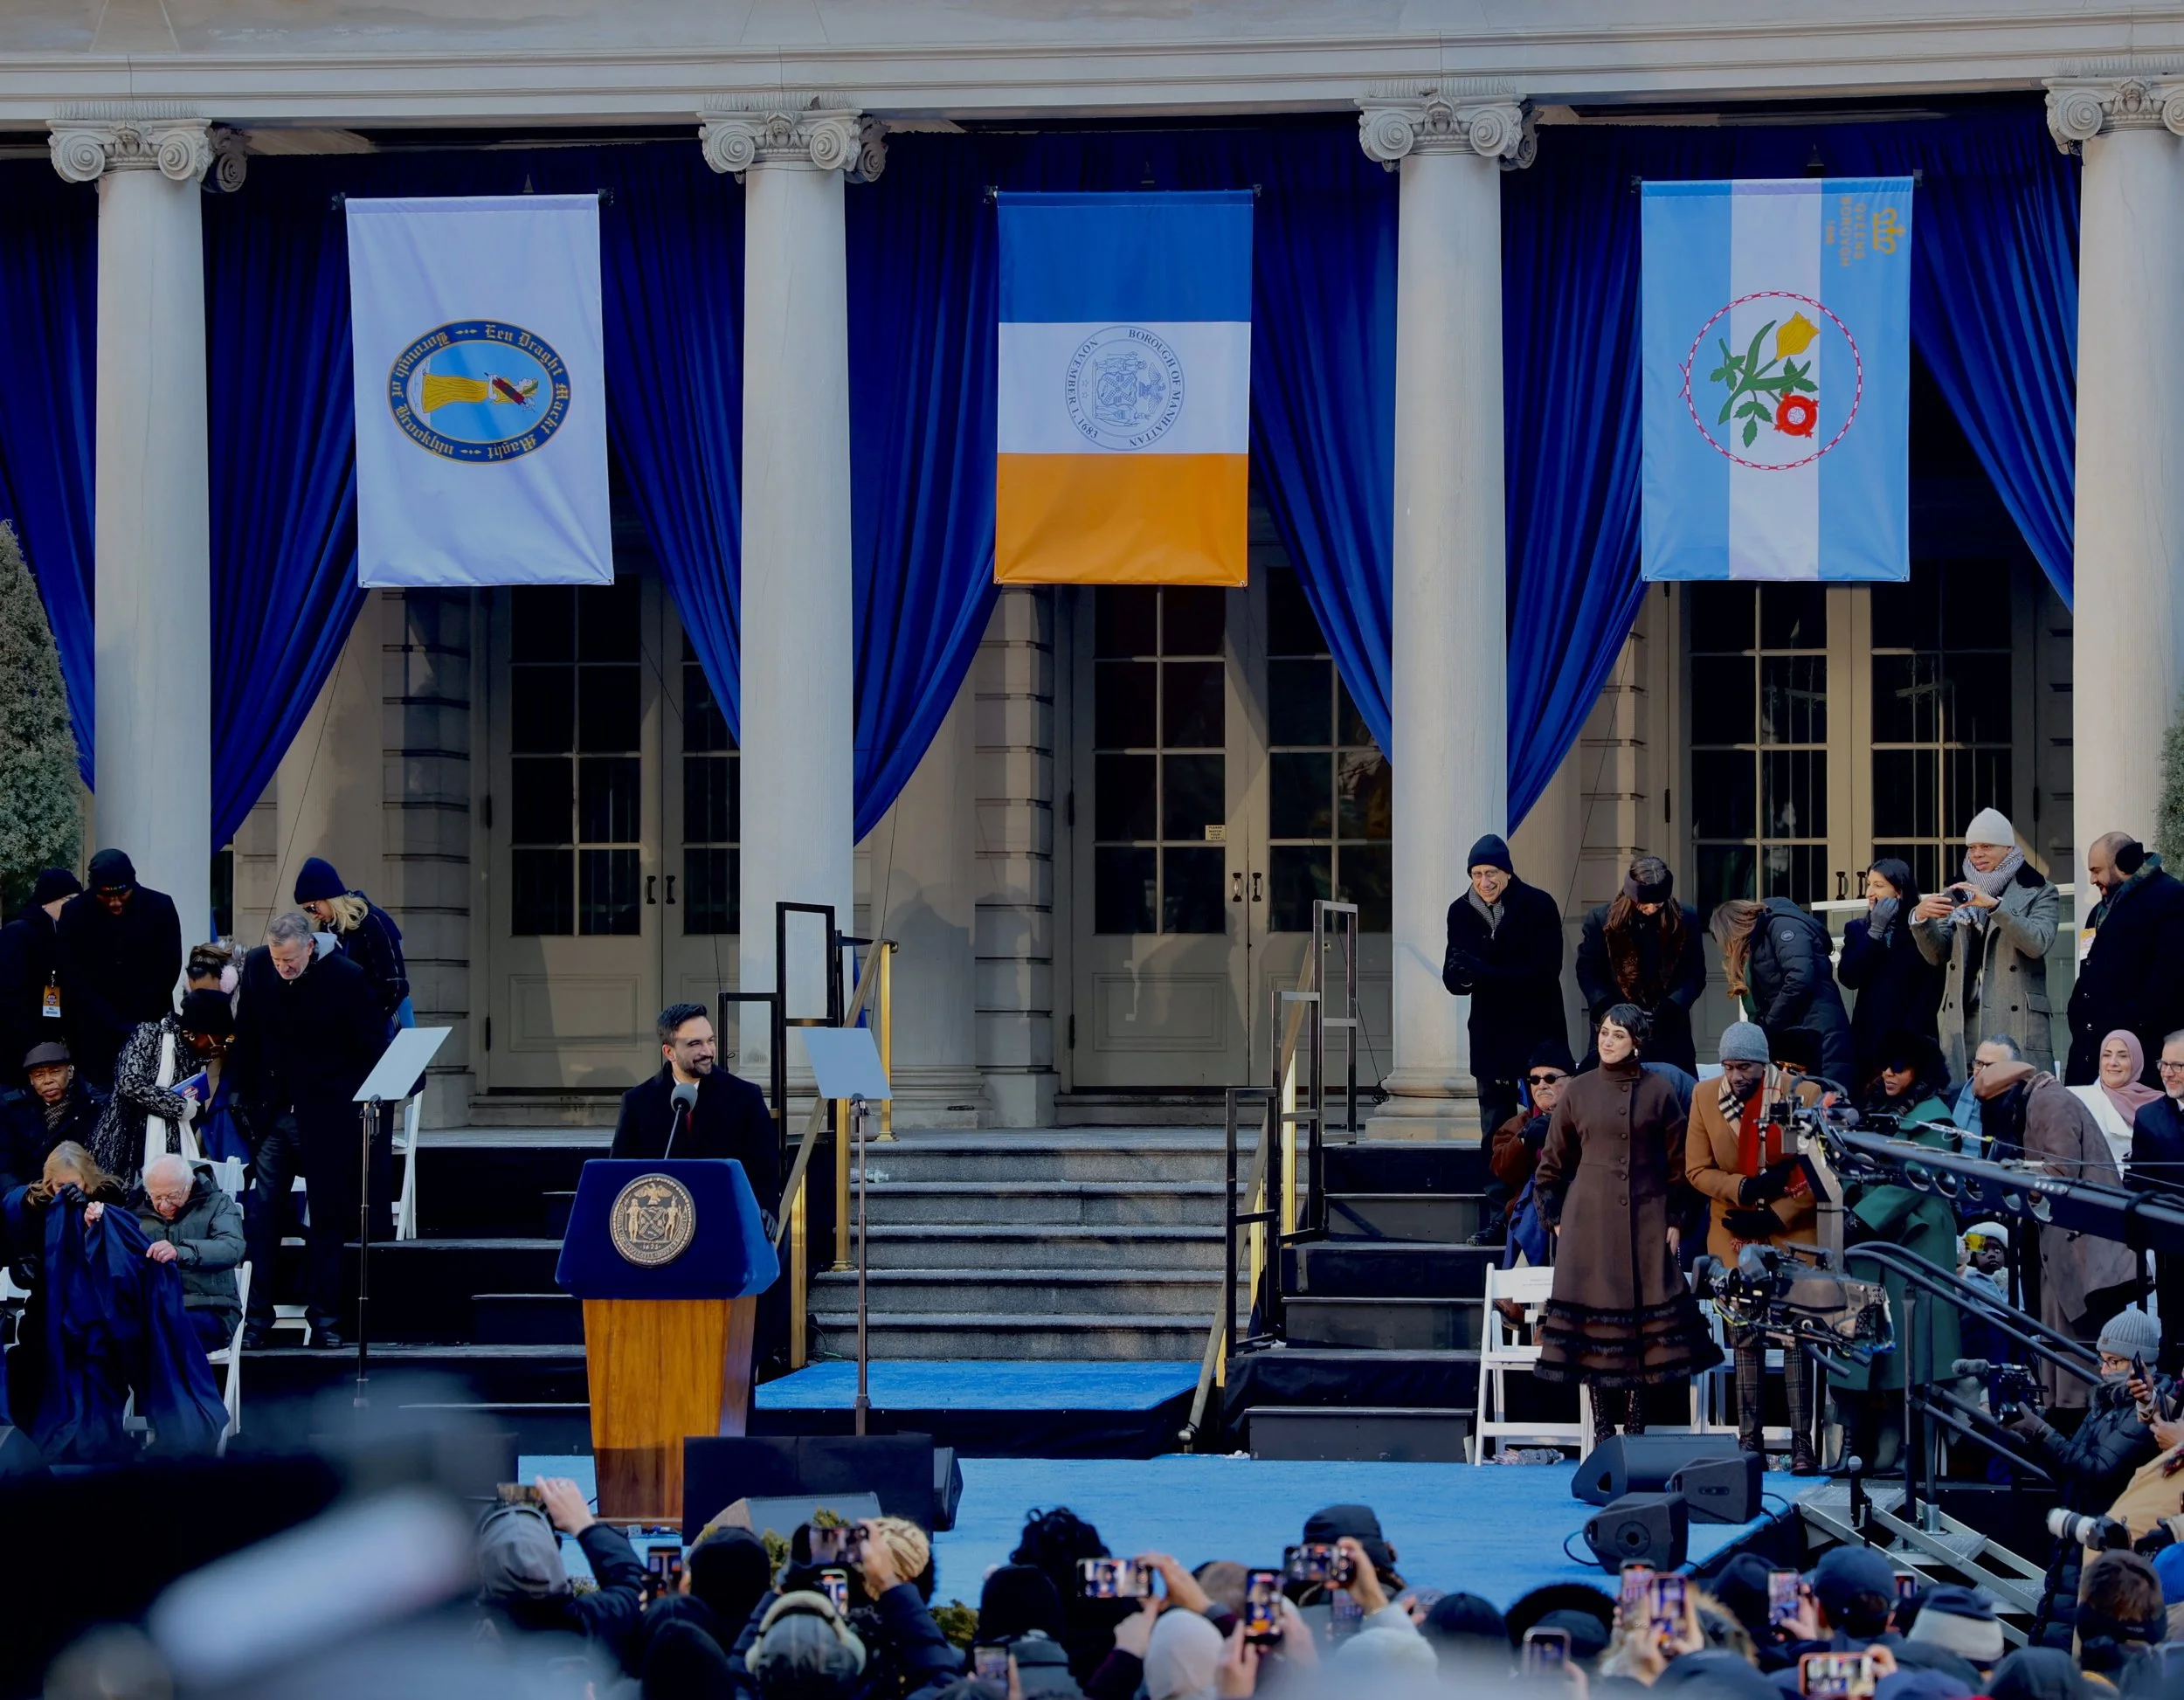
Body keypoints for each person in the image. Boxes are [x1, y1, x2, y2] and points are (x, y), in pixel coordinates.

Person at [1532, 1003, 1724, 1442]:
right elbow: (1552, 1165)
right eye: (1603, 1032)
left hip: (1646, 1220)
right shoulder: (1579, 1091)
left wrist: (1675, 1217)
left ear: (1636, 1041)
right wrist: (1558, 1219)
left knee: (1642, 1328)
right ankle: (1602, 1429)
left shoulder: (1659, 1091)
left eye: (1618, 1034)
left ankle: (1635, 1426)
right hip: (1590, 1224)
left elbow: (1682, 1163)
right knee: (1595, 1328)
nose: (1607, 1040)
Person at [1, 1141, 227, 1461]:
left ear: (87, 1180)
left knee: (102, 1351)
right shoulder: (28, 1206)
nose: (63, 1191)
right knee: (33, 1359)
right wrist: (22, 1260)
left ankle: (97, 1442)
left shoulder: (110, 1199)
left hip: (101, 1304)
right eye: (57, 1186)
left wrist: (96, 1218)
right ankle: (43, 1447)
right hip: (48, 1307)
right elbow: (16, 1250)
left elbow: (129, 1251)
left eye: (72, 1185)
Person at [231, 911, 391, 1350]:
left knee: (327, 1219)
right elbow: (246, 1033)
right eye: (278, 959)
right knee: (263, 1217)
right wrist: (244, 1101)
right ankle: (257, 1319)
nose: (283, 968)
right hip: (274, 1111)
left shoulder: (346, 977)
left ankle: (324, 1318)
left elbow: (370, 1047)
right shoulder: (260, 966)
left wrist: (354, 1104)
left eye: (291, 960)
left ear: (309, 946)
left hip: (327, 1113)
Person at [1682, 1020, 1820, 1472]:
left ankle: (1802, 1444)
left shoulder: (1803, 1094)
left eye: (1744, 1066)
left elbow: (1815, 1173)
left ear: (1764, 1065)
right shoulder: (1704, 1097)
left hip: (1791, 1231)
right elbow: (1697, 1170)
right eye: (1728, 1066)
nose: (1736, 1075)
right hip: (1733, 1228)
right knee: (1745, 1335)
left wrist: (1773, 1212)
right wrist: (1743, 1189)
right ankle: (1750, 1443)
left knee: (1796, 1335)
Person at [1831, 1031, 1966, 1471]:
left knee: (1916, 1354)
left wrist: (1859, 1217)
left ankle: (1913, 1451)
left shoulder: (1936, 1118)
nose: (1889, 1074)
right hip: (1876, 1244)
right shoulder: (1876, 1108)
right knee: (1866, 1349)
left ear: (1920, 1071)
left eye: (1900, 1067)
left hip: (1918, 1245)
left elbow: (1915, 1178)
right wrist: (1851, 1200)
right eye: (1886, 1065)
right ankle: (1867, 1445)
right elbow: (1854, 1166)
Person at [1975, 1049, 2139, 1404]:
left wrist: (2009, 1175)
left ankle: (2073, 1419)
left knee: (2074, 1356)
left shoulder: (2049, 1102)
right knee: (2058, 1347)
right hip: (2061, 1245)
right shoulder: (2039, 1101)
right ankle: (2063, 1411)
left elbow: (2059, 1176)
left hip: (2082, 1249)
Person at [2011, 1310, 2167, 1649]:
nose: (2105, 1369)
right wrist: (2031, 1433)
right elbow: (2071, 1469)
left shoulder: (2147, 1411)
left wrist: (2042, 1432)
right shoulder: (2108, 1400)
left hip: (2107, 1537)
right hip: (2080, 1534)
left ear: (2141, 1364)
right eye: (2103, 1360)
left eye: (2115, 1362)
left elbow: (2096, 1471)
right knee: (2058, 1630)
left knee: (2078, 1639)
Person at [1442, 833, 1570, 1169]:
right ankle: (1498, 1212)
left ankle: (1543, 1198)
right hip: (1490, 1032)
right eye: (1476, 874)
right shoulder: (1460, 911)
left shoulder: (1539, 905)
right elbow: (1455, 981)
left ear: (1508, 872)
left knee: (1548, 1118)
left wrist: (1484, 972)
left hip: (1538, 1029)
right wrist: (1461, 975)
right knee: (1495, 1128)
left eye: (1491, 873)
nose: (1484, 882)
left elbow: (1546, 970)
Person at [1910, 809, 2060, 1083]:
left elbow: (2037, 943)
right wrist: (1920, 918)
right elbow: (1938, 954)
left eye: (1986, 846)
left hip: (2014, 1017)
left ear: (2008, 848)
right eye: (1972, 847)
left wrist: (1994, 907)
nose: (1977, 854)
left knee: (2014, 1102)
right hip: (1962, 1017)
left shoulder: (2039, 889)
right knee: (1961, 1101)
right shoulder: (1957, 890)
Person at [612, 1003, 780, 1217]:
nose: (707, 1051)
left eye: (710, 1041)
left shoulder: (745, 1097)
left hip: (726, 1218)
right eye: (695, 1044)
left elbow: (765, 1167)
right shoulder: (637, 1102)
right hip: (661, 1226)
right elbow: (619, 1172)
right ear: (669, 1052)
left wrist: (766, 1209)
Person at [476, 1475, 646, 1663]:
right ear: (557, 1546)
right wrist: (584, 1524)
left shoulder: (453, 1638)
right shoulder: (594, 1623)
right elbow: (633, 1587)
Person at [53, 848, 183, 1090]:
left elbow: (168, 966)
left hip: (148, 1022)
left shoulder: (160, 907)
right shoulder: (74, 913)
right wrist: (109, 1020)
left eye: (122, 894)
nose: (115, 902)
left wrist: (138, 1018)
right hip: (94, 1030)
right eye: (105, 896)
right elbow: (72, 974)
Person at [2068, 833, 2184, 1088]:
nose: (2092, 879)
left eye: (2096, 870)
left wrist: (2129, 1026)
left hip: (2138, 1056)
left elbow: (2169, 976)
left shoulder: (2171, 898)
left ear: (2124, 863)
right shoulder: (2098, 911)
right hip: (2090, 1054)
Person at [1575, 857, 1708, 1076]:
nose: (1651, 909)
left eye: (1658, 904)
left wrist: (1671, 1006)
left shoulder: (1685, 919)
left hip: (1668, 1029)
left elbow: (1694, 974)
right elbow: (1588, 971)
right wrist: (1610, 1010)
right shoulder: (1601, 919)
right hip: (1616, 1025)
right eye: (1644, 904)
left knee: (1674, 1095)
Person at [90, 987, 238, 1181]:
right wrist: (178, 1106)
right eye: (217, 1039)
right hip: (128, 1142)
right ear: (194, 1033)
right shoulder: (150, 1035)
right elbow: (128, 1083)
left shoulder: (196, 1057)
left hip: (171, 1152)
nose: (220, 1047)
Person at [1708, 897, 1855, 1089]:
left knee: (1829, 1101)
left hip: (1818, 1032)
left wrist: (1769, 1026)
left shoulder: (1781, 925)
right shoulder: (1763, 937)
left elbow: (1799, 978)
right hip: (1803, 1035)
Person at [1836, 858, 1946, 1091]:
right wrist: (1874, 932)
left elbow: (1932, 987)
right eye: (1869, 884)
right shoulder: (1858, 929)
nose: (1869, 893)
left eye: (1878, 885)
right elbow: (1849, 977)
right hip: (1869, 1037)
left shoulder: (1921, 928)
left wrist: (1907, 1041)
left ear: (1899, 891)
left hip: (1911, 1037)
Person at [128, 1151, 244, 1354]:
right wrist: (95, 1228)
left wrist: (181, 1252)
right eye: (156, 1197)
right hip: (154, 1308)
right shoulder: (134, 1210)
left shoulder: (218, 1204)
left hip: (211, 1309)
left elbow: (231, 1248)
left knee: (164, 1333)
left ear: (188, 1186)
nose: (164, 1205)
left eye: (172, 1196)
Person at [293, 856, 410, 1030]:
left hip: (385, 1019)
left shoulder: (374, 922)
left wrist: (368, 1021)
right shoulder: (328, 928)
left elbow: (395, 984)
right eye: (306, 910)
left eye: (312, 907)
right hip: (354, 1022)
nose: (313, 915)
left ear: (329, 897)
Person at [1485, 1040, 1573, 1261]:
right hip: (1528, 1213)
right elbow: (1501, 1169)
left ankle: (1518, 1281)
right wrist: (1524, 1140)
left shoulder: (1585, 1119)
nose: (1541, 1085)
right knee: (1536, 1190)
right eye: (1534, 1079)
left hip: (1578, 1206)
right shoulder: (1517, 1124)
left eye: (1550, 1078)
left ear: (1571, 1081)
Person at [2131, 1031, 2184, 1373]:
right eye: (2163, 1063)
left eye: (2178, 1065)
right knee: (2173, 1331)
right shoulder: (2149, 1117)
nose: (2167, 1072)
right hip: (2173, 1249)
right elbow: (2139, 1182)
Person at [0, 867, 81, 1090]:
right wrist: (33, 1044)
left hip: (47, 1043)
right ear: (52, 900)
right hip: (19, 1050)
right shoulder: (17, 933)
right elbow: (10, 996)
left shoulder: (58, 932)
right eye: (71, 900)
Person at [0, 1040, 105, 1190]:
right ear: (31, 1080)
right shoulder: (13, 1109)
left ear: (70, 1072)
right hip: (26, 1195)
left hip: (77, 1192)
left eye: (55, 1072)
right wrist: (21, 1196)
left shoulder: (93, 1106)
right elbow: (4, 1164)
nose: (48, 1081)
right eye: (39, 1075)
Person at [2070, 1030, 2162, 1171]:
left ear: (2136, 1061)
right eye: (2106, 1055)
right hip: (2096, 1189)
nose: (2113, 1062)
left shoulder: (2161, 1103)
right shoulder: (2076, 1098)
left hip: (2150, 1189)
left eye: (2123, 1056)